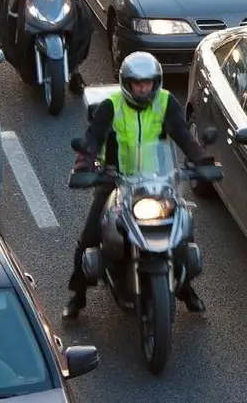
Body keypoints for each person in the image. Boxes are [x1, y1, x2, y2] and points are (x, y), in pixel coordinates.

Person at [63, 51, 215, 319]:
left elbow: (182, 135)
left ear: (156, 82)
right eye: (137, 83)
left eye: (148, 82)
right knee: (90, 235)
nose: (144, 88)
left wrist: (203, 161)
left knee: (182, 230)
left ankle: (184, 287)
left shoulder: (166, 102)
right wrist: (83, 167)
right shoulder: (112, 106)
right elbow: (92, 139)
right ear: (126, 83)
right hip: (115, 179)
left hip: (159, 180)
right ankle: (78, 294)